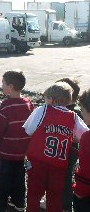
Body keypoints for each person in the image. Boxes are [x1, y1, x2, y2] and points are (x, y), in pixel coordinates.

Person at [23, 82, 88, 212]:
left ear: (52, 99)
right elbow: (85, 135)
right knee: (55, 197)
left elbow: (28, 129)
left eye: (46, 97)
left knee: (34, 195)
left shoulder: (43, 109)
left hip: (38, 161)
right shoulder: (73, 116)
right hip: (59, 165)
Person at [0, 70, 34, 211]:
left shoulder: (6, 106)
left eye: (3, 83)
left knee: (2, 181)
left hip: (6, 152)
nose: (2, 86)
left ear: (11, 86)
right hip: (21, 151)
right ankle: (19, 203)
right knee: (19, 178)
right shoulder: (28, 103)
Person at [40, 78, 82, 211]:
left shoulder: (71, 113)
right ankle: (57, 202)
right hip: (64, 151)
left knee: (62, 178)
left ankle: (63, 205)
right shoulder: (75, 111)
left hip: (63, 151)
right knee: (61, 177)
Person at [73, 89, 90, 212]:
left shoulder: (87, 137)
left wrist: (79, 190)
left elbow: (86, 170)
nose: (82, 115)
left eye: (83, 111)